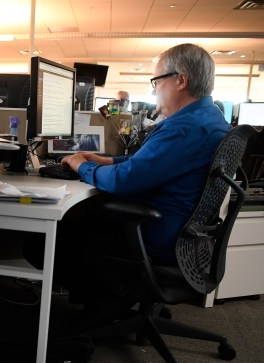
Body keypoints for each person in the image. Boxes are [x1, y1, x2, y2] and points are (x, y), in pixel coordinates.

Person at [25, 43, 231, 300]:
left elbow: (123, 181)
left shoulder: (184, 128)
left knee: (42, 240)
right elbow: (155, 163)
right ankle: (106, 306)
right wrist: (108, 161)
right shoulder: (210, 118)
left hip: (156, 236)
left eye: (157, 81)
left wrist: (82, 165)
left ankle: (100, 309)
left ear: (181, 81)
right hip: (186, 236)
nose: (154, 90)